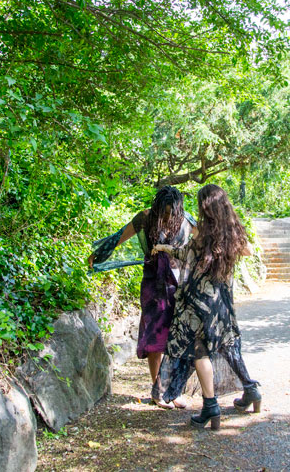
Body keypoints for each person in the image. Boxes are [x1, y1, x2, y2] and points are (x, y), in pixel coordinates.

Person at [151, 184, 261, 430]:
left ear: (205, 207)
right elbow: (248, 251)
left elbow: (184, 254)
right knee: (227, 344)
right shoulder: (232, 232)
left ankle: (211, 406)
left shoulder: (201, 233)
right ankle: (251, 391)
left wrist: (163, 248)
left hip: (198, 303)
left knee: (199, 351)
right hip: (222, 303)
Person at [88, 186, 196, 409]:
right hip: (153, 285)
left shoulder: (187, 220)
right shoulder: (145, 218)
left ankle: (173, 390)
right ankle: (158, 390)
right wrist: (97, 255)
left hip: (179, 284)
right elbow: (119, 237)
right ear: (158, 207)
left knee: (178, 336)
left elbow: (205, 241)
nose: (168, 217)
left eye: (172, 213)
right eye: (165, 212)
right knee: (154, 335)